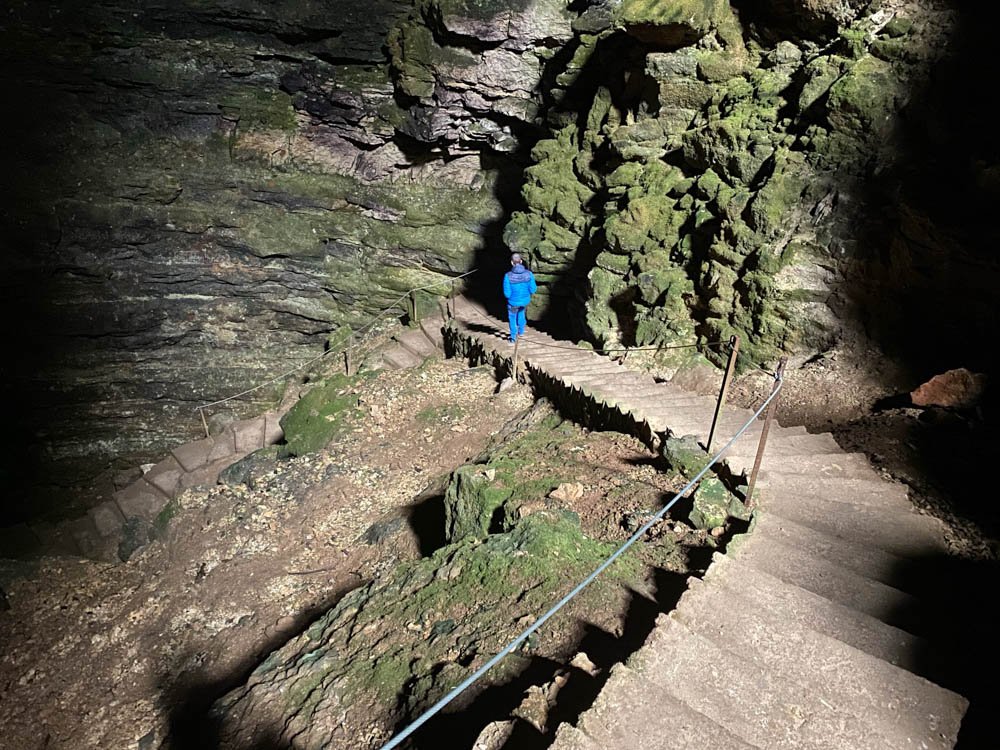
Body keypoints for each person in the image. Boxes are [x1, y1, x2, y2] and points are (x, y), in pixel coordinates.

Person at [502, 252, 536, 342]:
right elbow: (533, 289)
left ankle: (513, 338)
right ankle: (521, 332)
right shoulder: (529, 274)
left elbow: (507, 294)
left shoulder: (507, 276)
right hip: (524, 301)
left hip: (513, 303)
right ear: (521, 261)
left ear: (512, 263)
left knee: (512, 317)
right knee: (521, 313)